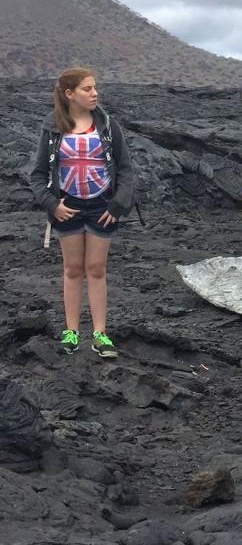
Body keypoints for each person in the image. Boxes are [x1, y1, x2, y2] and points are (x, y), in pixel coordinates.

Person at [29, 68, 135, 358]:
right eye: (87, 89)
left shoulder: (108, 125)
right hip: (68, 207)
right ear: (69, 94)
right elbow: (37, 175)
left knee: (97, 269)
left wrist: (118, 204)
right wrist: (52, 205)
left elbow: (126, 170)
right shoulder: (52, 127)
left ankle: (100, 334)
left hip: (102, 207)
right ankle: (71, 332)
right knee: (72, 269)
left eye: (95, 87)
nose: (95, 93)